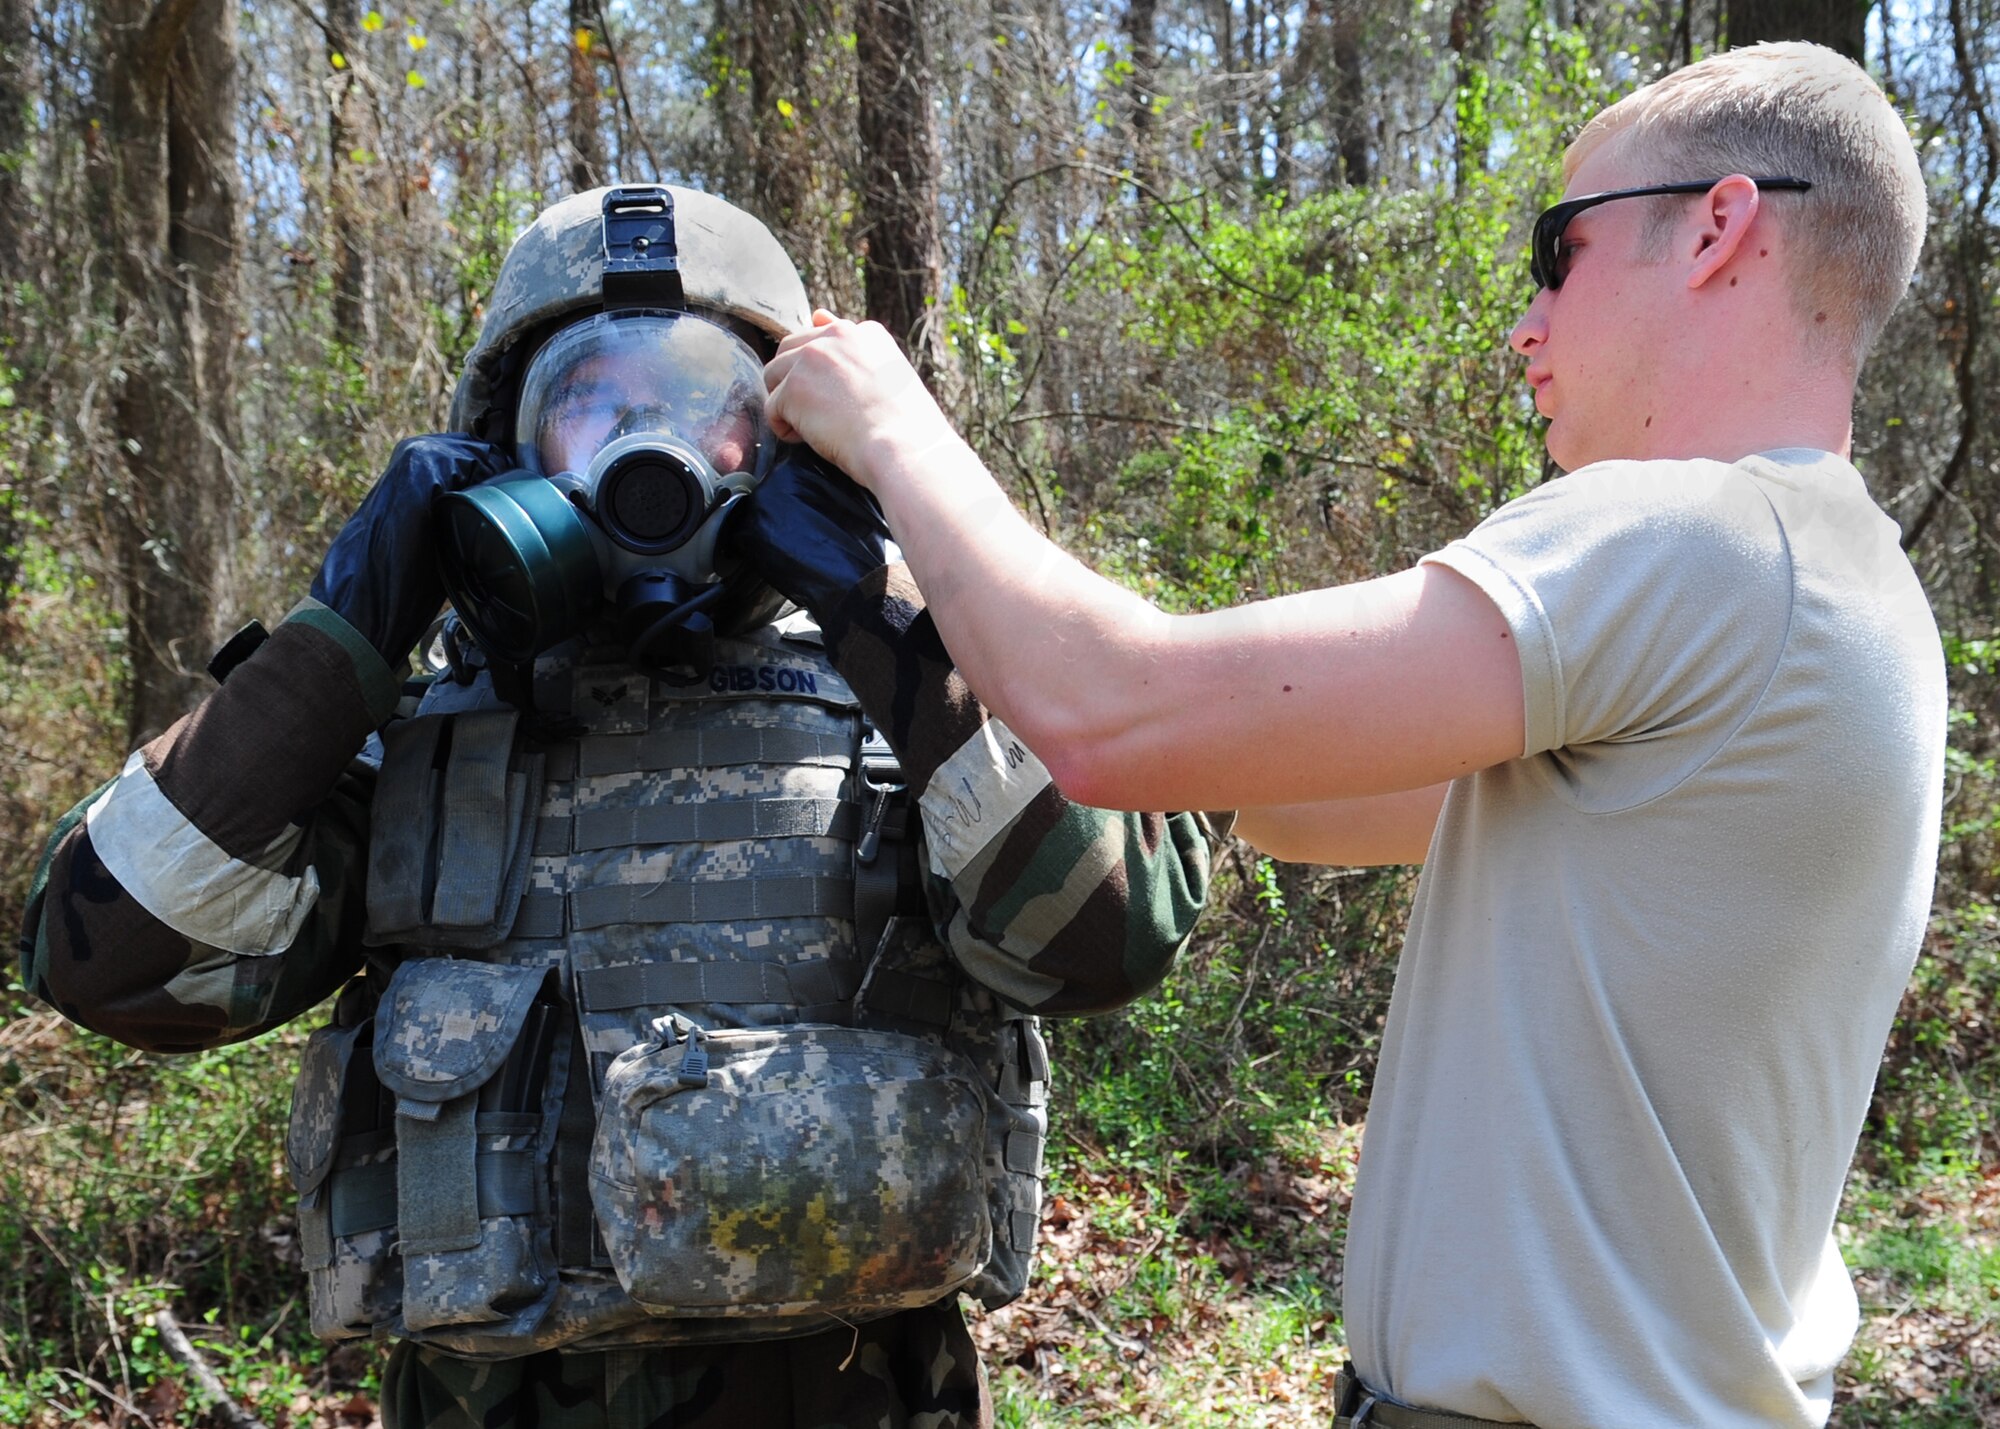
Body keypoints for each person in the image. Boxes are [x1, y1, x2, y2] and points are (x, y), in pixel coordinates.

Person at [754, 41, 1944, 1429]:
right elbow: (1266, 782)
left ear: (1721, 225)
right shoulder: (1846, 595)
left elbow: (1118, 711)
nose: (1530, 324)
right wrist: (1084, 705)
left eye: (1561, 249)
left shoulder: (1707, 537)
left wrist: (894, 428)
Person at [19, 184, 1222, 1427]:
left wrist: (897, 617)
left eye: (706, 403)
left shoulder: (914, 696)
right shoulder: (414, 734)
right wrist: (342, 637)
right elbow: (104, 962)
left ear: (785, 440)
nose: (644, 442)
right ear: (506, 443)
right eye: (589, 401)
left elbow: (1108, 938)